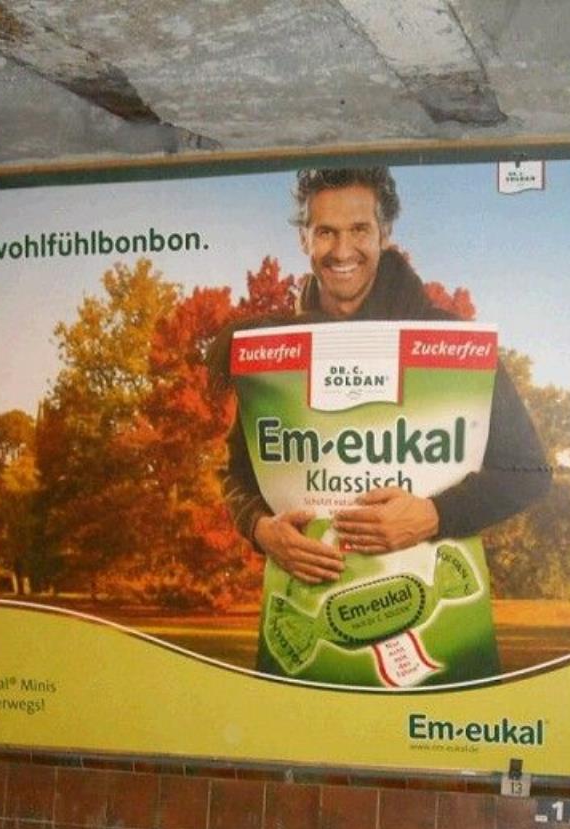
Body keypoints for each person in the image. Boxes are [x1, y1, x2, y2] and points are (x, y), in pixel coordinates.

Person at [216, 165, 551, 584]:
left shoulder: (454, 343)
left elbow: (529, 475)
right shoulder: (276, 352)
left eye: (359, 229)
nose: (342, 251)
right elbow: (238, 476)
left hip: (435, 600)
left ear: (384, 233)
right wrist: (260, 528)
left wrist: (435, 514)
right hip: (307, 606)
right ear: (304, 238)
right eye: (325, 232)